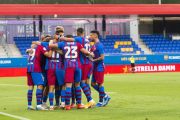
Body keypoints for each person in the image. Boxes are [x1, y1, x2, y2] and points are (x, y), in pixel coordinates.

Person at [49, 38, 94, 110]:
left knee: (68, 85)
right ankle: (79, 104)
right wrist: (90, 53)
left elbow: (51, 46)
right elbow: (85, 52)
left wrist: (52, 42)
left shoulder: (63, 43)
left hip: (69, 66)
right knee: (77, 85)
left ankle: (68, 105)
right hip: (78, 66)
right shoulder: (78, 44)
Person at [26, 43, 53, 110]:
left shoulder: (31, 50)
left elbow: (27, 51)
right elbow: (48, 55)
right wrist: (52, 49)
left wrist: (28, 50)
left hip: (29, 68)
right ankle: (38, 105)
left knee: (31, 86)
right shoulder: (40, 47)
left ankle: (29, 105)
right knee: (40, 85)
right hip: (36, 69)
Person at [88, 30, 111, 107]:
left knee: (100, 84)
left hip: (99, 67)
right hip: (95, 67)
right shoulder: (94, 46)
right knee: (93, 84)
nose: (90, 37)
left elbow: (102, 57)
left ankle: (100, 102)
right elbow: (89, 52)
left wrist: (93, 60)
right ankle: (105, 96)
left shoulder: (99, 45)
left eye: (91, 35)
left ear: (95, 36)